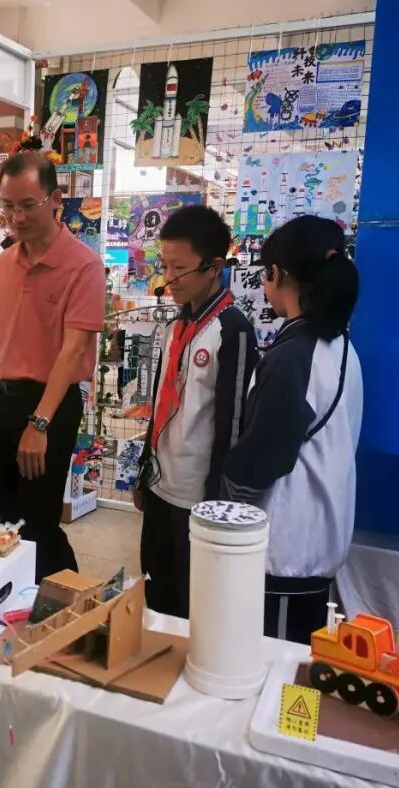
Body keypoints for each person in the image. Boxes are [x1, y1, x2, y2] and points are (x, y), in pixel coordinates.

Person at [221, 215, 363, 644]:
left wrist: (226, 497)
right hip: (315, 544)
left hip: (285, 553)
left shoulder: (292, 357)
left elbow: (262, 459)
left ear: (277, 273)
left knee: (276, 668)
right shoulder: (339, 345)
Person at [0, 152, 105, 582]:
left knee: (38, 524)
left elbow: (73, 350)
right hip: (2, 399)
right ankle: (14, 603)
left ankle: (67, 603)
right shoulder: (5, 265)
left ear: (55, 200)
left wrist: (40, 423)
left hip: (51, 402)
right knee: (2, 521)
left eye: (28, 205)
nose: (17, 217)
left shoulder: (83, 265)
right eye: (8, 206)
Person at [134, 205, 257, 617]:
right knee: (156, 589)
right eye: (164, 266)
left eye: (180, 269)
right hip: (159, 483)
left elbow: (233, 426)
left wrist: (218, 504)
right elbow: (158, 408)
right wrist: (144, 470)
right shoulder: (174, 328)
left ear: (213, 267)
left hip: (197, 496)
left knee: (194, 604)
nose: (168, 279)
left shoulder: (232, 331)